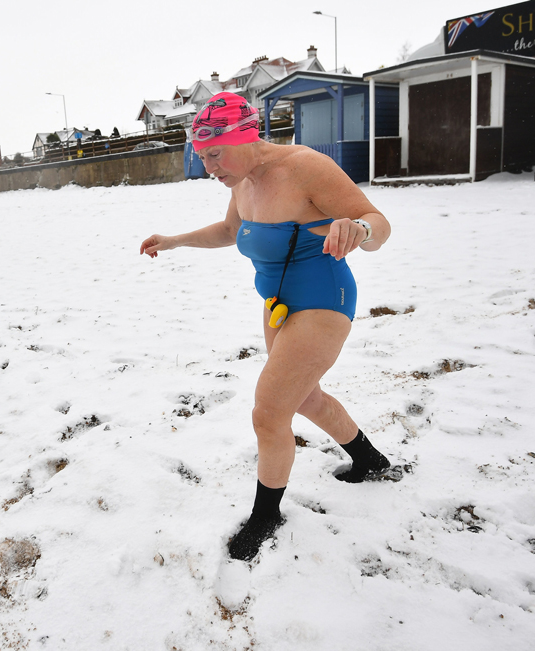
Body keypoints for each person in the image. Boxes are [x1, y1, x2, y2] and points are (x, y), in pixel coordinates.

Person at [139, 92, 393, 562]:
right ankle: (370, 460)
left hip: (323, 299)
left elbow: (378, 221)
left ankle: (266, 514)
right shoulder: (241, 181)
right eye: (201, 157)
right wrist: (175, 242)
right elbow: (233, 231)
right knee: (305, 396)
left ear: (245, 135)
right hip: (278, 302)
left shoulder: (303, 167)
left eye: (215, 153)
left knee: (269, 413)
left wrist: (361, 231)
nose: (209, 167)